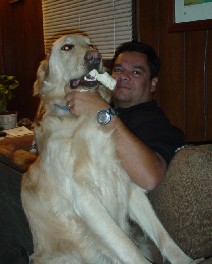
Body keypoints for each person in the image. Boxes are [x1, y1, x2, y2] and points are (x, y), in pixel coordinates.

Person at [65, 41, 185, 191]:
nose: (123, 76)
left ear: (153, 83)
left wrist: (101, 112)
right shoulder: (110, 109)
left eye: (136, 72)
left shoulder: (154, 122)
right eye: (118, 69)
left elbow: (150, 178)